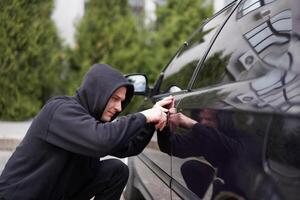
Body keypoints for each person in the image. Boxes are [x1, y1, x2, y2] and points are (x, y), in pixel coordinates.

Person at [0, 64, 173, 200]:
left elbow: (129, 146)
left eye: (121, 101)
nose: (119, 107)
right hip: (20, 196)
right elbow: (102, 140)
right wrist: (144, 116)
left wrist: (152, 120)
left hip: (56, 194)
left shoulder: (93, 123)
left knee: (116, 171)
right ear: (98, 92)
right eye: (114, 99)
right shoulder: (60, 110)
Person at [158, 108, 246, 199]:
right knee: (191, 167)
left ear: (223, 121)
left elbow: (236, 152)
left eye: (209, 119)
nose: (203, 122)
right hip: (221, 185)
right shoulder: (203, 134)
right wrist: (165, 126)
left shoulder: (237, 135)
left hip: (244, 186)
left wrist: (194, 124)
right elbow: (172, 146)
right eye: (202, 119)